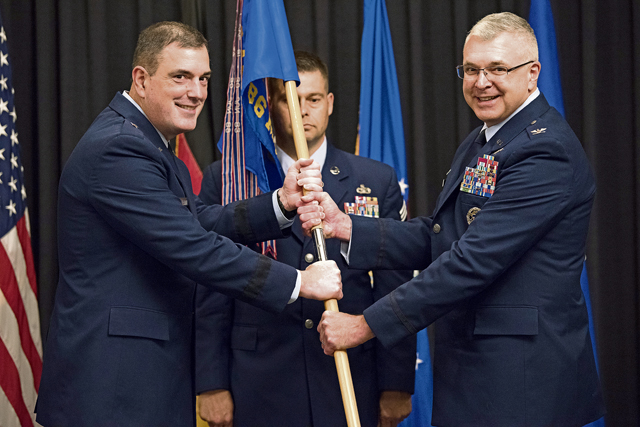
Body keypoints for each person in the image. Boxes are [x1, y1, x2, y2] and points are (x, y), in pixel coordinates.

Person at [303, 12, 606, 427]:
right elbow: (444, 236)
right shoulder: (488, 137)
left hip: (521, 381)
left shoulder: (545, 152)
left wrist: (365, 325)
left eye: (497, 69)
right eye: (471, 69)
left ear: (533, 73)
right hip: (476, 370)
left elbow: (471, 260)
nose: (481, 82)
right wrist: (348, 227)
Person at [35, 22, 343, 427]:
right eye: (180, 77)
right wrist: (300, 282)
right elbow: (193, 246)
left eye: (203, 79)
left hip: (142, 378)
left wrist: (281, 204)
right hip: (114, 386)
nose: (196, 92)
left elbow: (197, 221)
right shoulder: (119, 148)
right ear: (141, 80)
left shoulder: (150, 143)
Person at [195, 51, 416, 427]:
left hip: (348, 376)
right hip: (259, 379)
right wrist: (212, 383)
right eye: (290, 100)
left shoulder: (376, 180)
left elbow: (395, 286)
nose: (303, 111)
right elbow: (211, 285)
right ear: (270, 106)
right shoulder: (232, 179)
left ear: (329, 103)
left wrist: (396, 384)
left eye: (313, 99)